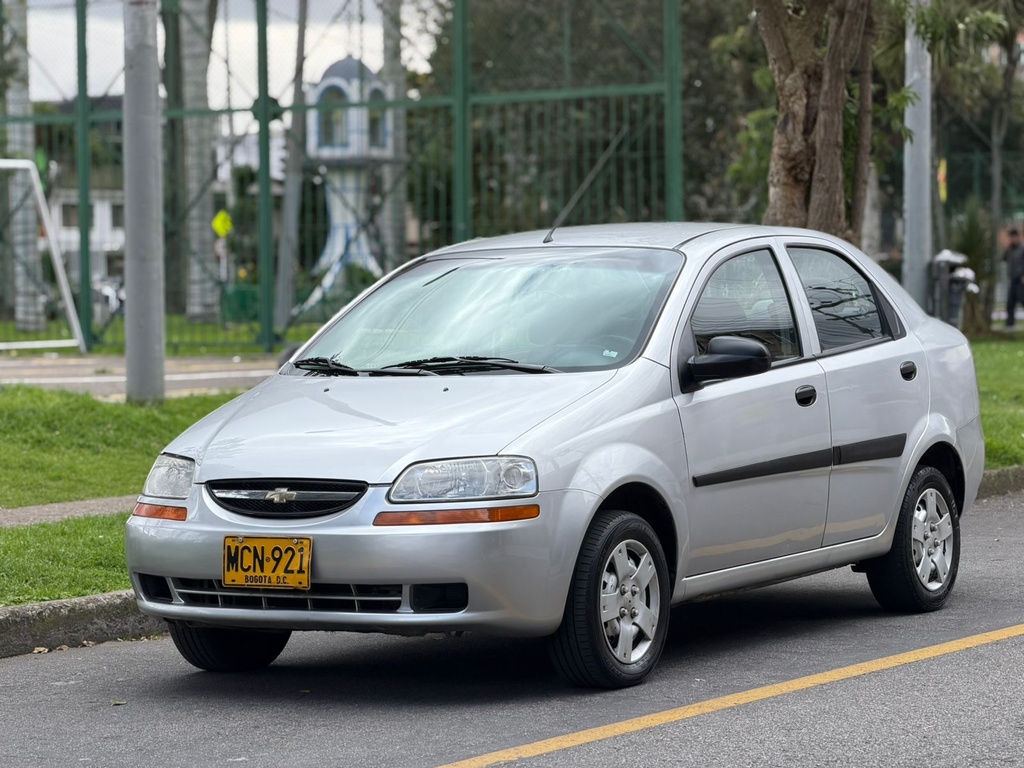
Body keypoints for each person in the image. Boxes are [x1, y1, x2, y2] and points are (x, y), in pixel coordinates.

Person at [1005, 228, 1024, 328]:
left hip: (1021, 280)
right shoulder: (1011, 250)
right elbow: (1003, 259)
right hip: (1012, 280)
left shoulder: (1022, 248)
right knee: (1010, 303)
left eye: (1014, 237)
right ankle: (1009, 325)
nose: (1013, 239)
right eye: (1011, 237)